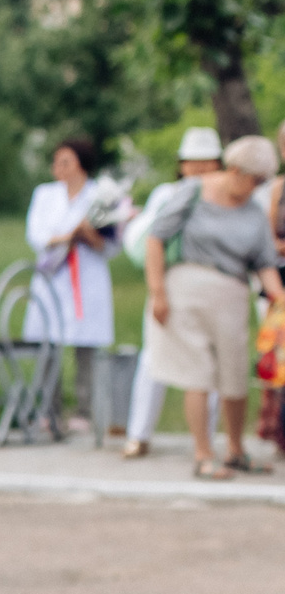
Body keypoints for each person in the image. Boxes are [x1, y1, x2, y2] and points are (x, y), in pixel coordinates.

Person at [139, 134, 285, 479]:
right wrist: (157, 292)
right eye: (254, 179)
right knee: (198, 373)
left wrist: (280, 301)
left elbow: (264, 262)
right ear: (235, 170)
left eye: (262, 181)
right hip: (185, 291)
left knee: (234, 375)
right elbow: (156, 237)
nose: (257, 187)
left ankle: (236, 450)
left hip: (231, 296)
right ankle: (203, 453)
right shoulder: (192, 192)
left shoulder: (252, 210)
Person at [122, 127, 224, 457]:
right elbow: (150, 241)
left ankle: (205, 439)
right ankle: (139, 434)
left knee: (210, 364)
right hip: (170, 281)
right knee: (154, 358)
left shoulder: (224, 197)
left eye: (207, 161)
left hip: (212, 286)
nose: (200, 168)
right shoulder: (168, 195)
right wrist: (158, 291)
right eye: (193, 161)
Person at [24, 135, 124, 434]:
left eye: (65, 162)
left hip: (87, 274)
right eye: (56, 162)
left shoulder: (101, 196)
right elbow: (37, 236)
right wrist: (71, 233)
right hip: (54, 274)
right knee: (48, 343)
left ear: (81, 164)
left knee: (86, 346)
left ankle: (84, 410)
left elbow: (111, 245)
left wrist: (88, 235)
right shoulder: (45, 194)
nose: (59, 168)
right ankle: (50, 409)